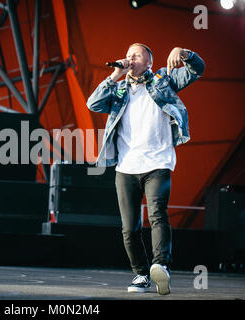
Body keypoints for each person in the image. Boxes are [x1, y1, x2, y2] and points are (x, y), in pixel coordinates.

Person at [86, 43, 205, 295]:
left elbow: (197, 70)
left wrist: (184, 53)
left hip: (158, 163)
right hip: (126, 166)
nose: (130, 58)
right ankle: (141, 274)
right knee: (129, 227)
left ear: (148, 62)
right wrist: (114, 75)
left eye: (136, 55)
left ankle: (160, 265)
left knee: (157, 214)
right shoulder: (118, 90)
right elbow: (93, 104)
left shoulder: (163, 79)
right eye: (128, 54)